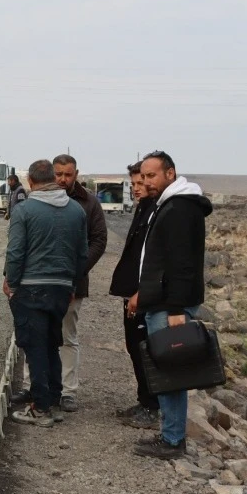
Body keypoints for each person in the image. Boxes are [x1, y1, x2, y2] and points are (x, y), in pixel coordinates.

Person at [130, 151, 212, 459]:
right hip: (162, 303)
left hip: (169, 306)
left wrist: (176, 308)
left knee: (172, 374)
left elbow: (182, 264)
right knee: (168, 372)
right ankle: (170, 434)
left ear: (170, 173)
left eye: (152, 176)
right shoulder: (171, 205)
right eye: (144, 176)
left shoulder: (178, 208)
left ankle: (173, 439)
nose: (147, 181)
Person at [5, 159, 89, 427]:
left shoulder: (24, 210)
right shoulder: (76, 210)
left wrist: (11, 281)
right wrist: (71, 285)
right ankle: (54, 401)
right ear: (54, 178)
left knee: (34, 347)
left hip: (31, 288)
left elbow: (16, 251)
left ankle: (40, 408)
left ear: (30, 181)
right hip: (61, 290)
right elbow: (82, 254)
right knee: (53, 344)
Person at [53, 154, 108, 411]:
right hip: (42, 282)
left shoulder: (89, 202)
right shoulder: (41, 199)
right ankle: (37, 387)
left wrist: (79, 271)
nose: (63, 179)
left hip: (75, 283)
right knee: (37, 336)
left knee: (67, 337)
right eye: (58, 174)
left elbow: (99, 240)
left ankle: (68, 391)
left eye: (68, 174)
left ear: (77, 174)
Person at [109, 163, 159, 428]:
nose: (137, 189)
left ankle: (152, 407)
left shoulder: (157, 211)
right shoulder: (144, 209)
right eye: (134, 184)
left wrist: (141, 291)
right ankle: (144, 401)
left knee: (144, 349)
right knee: (134, 347)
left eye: (141, 182)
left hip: (144, 295)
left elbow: (151, 258)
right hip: (132, 292)